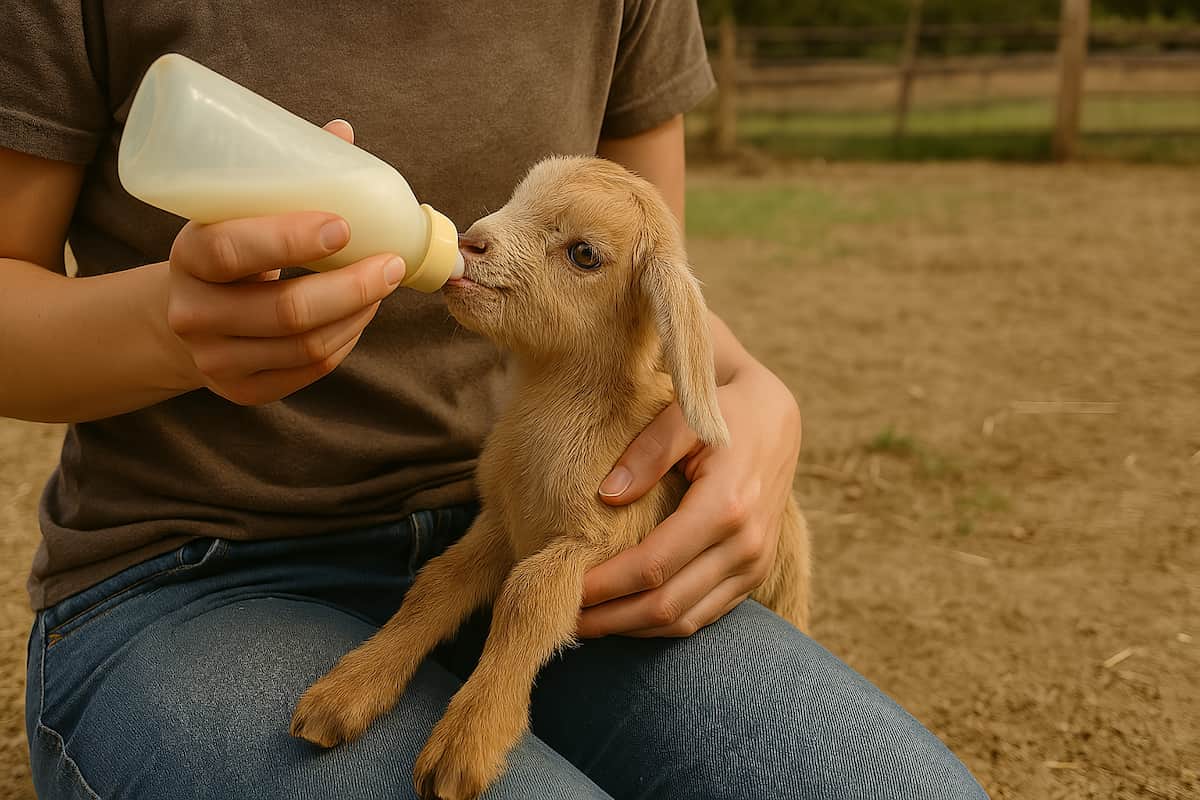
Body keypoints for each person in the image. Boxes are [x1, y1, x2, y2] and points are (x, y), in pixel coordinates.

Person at [1, 3, 988, 799]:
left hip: (526, 534)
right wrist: (172, 328)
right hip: (196, 571)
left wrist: (753, 395)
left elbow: (645, 291)